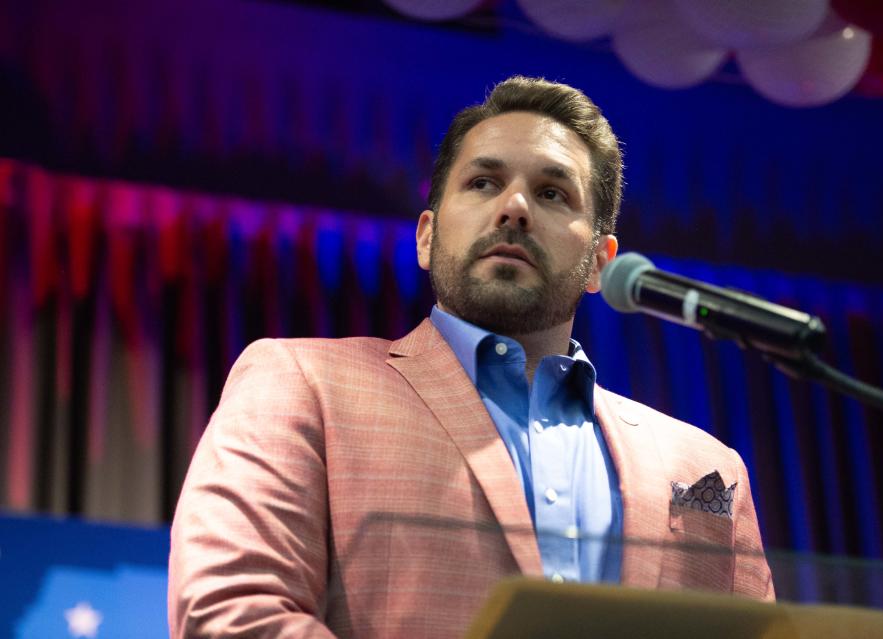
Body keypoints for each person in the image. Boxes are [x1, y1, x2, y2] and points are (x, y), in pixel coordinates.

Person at [168, 76, 773, 639]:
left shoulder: (704, 463)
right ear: (427, 236)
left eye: (552, 192)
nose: (515, 208)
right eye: (483, 182)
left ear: (599, 261)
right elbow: (231, 612)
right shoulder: (300, 383)